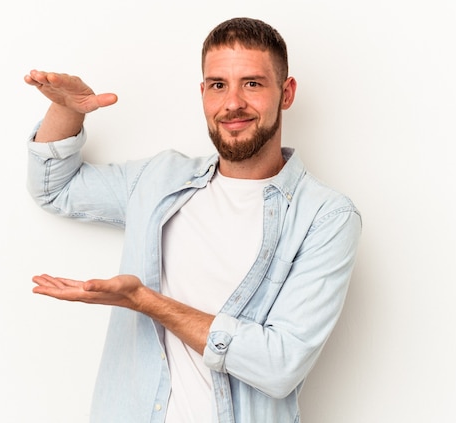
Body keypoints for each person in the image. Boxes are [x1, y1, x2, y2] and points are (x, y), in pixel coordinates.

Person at [25, 17, 361, 423]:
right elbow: (54, 188)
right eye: (218, 85)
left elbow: (280, 365)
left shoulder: (325, 217)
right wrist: (66, 109)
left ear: (285, 93)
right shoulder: (158, 180)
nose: (232, 102)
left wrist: (145, 301)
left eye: (252, 83)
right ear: (203, 93)